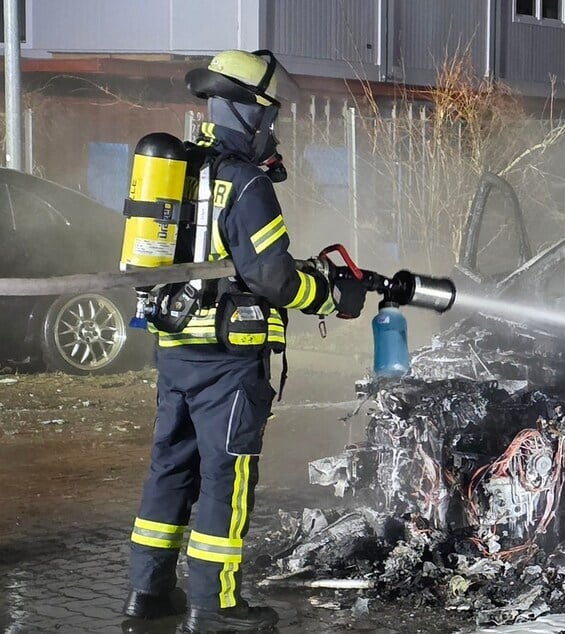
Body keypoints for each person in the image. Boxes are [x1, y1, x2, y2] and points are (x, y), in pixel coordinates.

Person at [121, 49, 366, 633]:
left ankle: (148, 593)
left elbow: (226, 261)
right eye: (268, 114)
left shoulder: (184, 170)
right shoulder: (245, 182)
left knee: (170, 467)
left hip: (176, 350)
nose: (271, 128)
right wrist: (332, 297)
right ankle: (216, 605)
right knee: (225, 476)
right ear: (249, 112)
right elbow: (273, 278)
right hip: (226, 361)